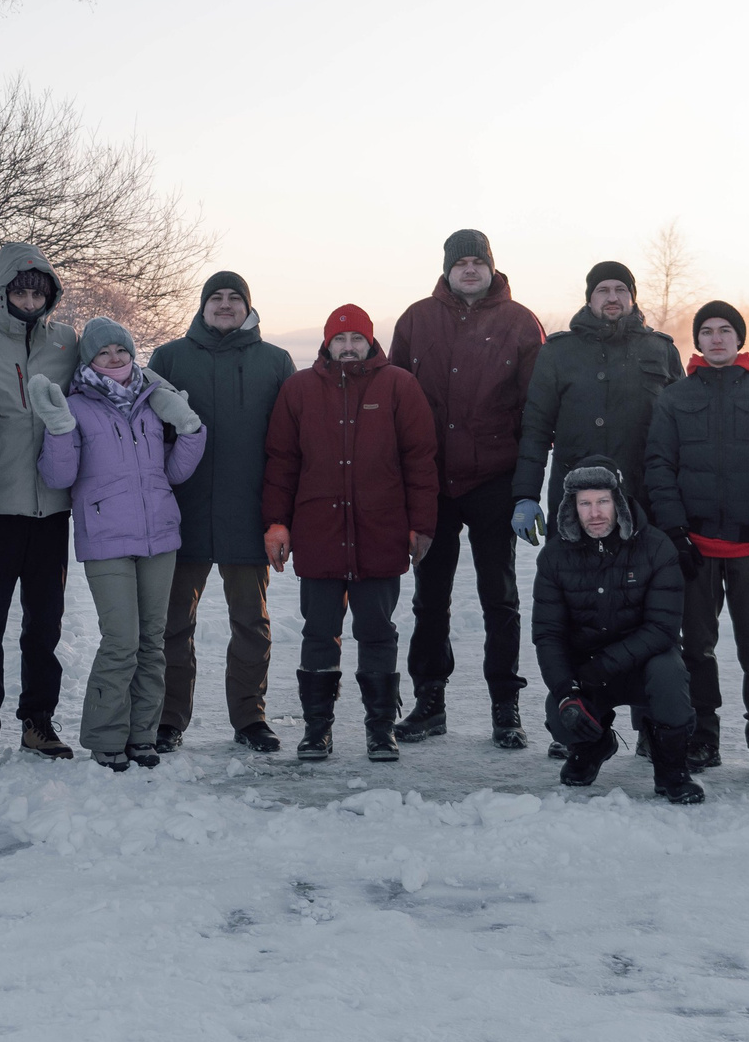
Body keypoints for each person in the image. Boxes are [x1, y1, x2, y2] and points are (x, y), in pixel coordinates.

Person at [386, 229, 546, 749]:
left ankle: (506, 706)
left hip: (493, 481)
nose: (470, 270)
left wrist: (526, 489)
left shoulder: (521, 323)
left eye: (478, 261)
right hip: (431, 482)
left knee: (499, 597)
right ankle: (429, 701)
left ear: (492, 267)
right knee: (430, 598)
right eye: (461, 263)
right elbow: (395, 401)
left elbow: (534, 413)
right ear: (448, 269)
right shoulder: (415, 319)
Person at [261, 305, 437, 762]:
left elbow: (420, 462)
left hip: (380, 532)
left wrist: (422, 525)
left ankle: (381, 729)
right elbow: (282, 463)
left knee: (378, 631)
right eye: (339, 340)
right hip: (319, 531)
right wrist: (277, 522)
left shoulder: (399, 385)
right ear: (326, 343)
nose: (348, 347)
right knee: (320, 631)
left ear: (370, 342)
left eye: (356, 339)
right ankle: (317, 729)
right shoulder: (298, 389)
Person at [33, 318, 207, 769]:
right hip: (106, 537)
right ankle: (106, 736)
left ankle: (142, 735)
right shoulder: (76, 405)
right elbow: (59, 477)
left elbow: (173, 473)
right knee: (121, 640)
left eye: (121, 350)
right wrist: (56, 428)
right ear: (88, 360)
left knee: (152, 640)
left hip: (160, 536)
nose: (114, 358)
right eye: (103, 352)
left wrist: (190, 429)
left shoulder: (153, 404)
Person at [642, 300, 749, 779]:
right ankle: (702, 738)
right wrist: (675, 533)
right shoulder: (674, 398)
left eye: (724, 330)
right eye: (706, 331)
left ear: (739, 338)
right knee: (695, 649)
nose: (715, 338)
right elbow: (659, 468)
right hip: (697, 548)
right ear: (697, 340)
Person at [0, 242, 81, 768]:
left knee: (44, 626)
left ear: (49, 293)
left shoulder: (68, 343)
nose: (29, 297)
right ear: (2, 292)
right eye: (20, 289)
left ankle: (37, 723)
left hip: (52, 509)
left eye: (38, 289)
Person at [150, 271, 294, 751]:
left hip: (247, 514)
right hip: (181, 515)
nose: (226, 304)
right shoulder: (169, 358)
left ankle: (250, 718)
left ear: (248, 307)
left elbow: (289, 446)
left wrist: (281, 516)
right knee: (172, 623)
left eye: (235, 297)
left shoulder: (275, 362)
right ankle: (168, 719)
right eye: (217, 297)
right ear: (203, 305)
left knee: (251, 622)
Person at [533, 464, 701, 803]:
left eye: (603, 502)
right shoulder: (554, 556)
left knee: (669, 672)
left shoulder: (656, 547)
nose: (594, 513)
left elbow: (663, 628)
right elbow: (548, 633)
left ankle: (671, 768)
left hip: (644, 664)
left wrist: (604, 665)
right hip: (586, 670)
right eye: (584, 503)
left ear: (619, 503)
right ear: (571, 506)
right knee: (560, 712)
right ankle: (593, 746)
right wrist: (568, 690)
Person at [512, 263, 683, 533]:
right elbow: (536, 429)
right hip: (575, 497)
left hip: (644, 495)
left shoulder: (661, 349)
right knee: (570, 573)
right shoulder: (558, 352)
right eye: (602, 290)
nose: (612, 297)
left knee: (645, 573)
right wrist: (525, 495)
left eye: (620, 289)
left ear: (632, 297)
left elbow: (681, 431)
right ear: (589, 298)